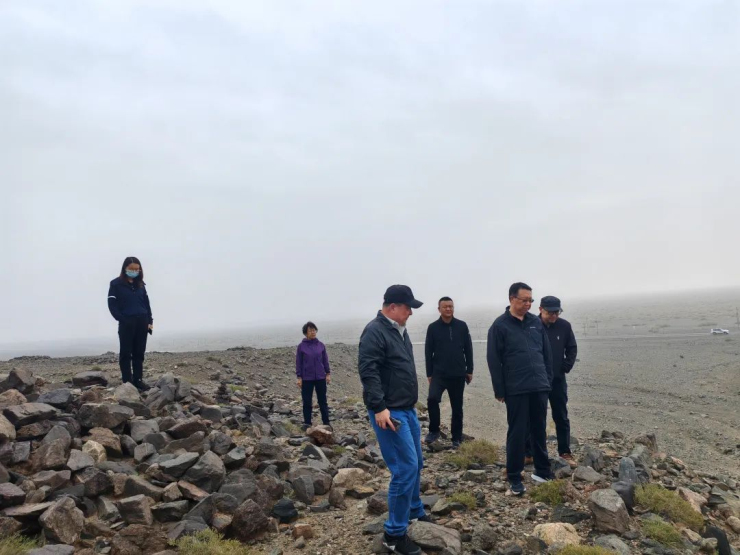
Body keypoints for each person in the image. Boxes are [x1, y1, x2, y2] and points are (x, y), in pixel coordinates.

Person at [359, 285, 428, 555]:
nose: (411, 312)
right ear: (392, 307)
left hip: (406, 408)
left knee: (416, 462)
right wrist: (379, 407)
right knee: (404, 468)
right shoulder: (375, 331)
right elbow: (368, 370)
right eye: (408, 307)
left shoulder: (400, 330)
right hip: (389, 412)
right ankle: (394, 535)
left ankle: (414, 511)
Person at [487, 282, 553, 495]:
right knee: (517, 432)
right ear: (511, 299)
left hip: (539, 385)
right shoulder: (500, 326)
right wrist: (499, 389)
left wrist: (547, 379)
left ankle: (542, 471)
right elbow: (494, 360)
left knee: (539, 429)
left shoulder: (535, 322)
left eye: (530, 300)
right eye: (524, 300)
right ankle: (514, 476)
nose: (528, 304)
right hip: (516, 387)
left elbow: (546, 353)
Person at [524, 296, 578, 465]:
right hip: (536, 381)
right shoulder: (531, 325)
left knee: (561, 415)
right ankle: (530, 453)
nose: (554, 316)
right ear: (540, 309)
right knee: (535, 418)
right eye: (550, 312)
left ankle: (565, 452)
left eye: (557, 312)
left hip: (557, 380)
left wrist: (564, 367)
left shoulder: (564, 326)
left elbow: (572, 348)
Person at [424, 297, 474, 448]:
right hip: (439, 373)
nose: (448, 309)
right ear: (439, 309)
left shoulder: (462, 326)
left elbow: (468, 349)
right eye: (445, 306)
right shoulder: (432, 327)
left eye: (451, 306)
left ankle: (456, 437)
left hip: (458, 373)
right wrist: (429, 373)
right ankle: (434, 430)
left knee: (457, 407)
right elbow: (428, 352)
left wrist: (469, 370)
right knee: (432, 399)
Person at [107, 257, 153, 391]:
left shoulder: (141, 285)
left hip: (142, 321)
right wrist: (121, 319)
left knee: (139, 353)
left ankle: (138, 380)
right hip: (127, 322)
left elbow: (147, 304)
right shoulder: (115, 284)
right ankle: (127, 381)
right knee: (126, 353)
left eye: (137, 269)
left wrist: (150, 321)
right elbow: (112, 305)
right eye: (131, 269)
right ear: (125, 268)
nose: (134, 271)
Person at [295, 321, 332, 430]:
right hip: (307, 378)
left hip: (320, 377)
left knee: (322, 401)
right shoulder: (301, 347)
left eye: (314, 330)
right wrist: (299, 377)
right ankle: (307, 423)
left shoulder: (321, 345)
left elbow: (325, 360)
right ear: (305, 333)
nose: (313, 332)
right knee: (307, 401)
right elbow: (298, 363)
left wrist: (328, 373)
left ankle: (326, 422)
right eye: (310, 330)